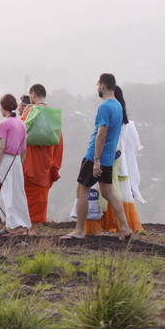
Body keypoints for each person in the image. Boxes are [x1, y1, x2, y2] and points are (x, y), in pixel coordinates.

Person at [62, 74, 133, 241]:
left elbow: (101, 134)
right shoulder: (118, 106)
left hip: (96, 155)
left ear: (102, 85)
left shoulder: (105, 107)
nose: (97, 88)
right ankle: (125, 227)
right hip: (108, 158)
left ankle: (79, 231)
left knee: (82, 190)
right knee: (108, 192)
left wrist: (96, 159)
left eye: (97, 84)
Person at [99, 85, 145, 233]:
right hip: (122, 165)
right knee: (114, 195)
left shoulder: (115, 121)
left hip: (109, 162)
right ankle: (123, 226)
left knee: (107, 194)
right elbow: (133, 149)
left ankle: (115, 225)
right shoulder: (128, 124)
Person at [0, 94, 30, 238]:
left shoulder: (4, 124)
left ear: (3, 108)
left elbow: (2, 147)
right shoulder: (21, 123)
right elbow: (25, 149)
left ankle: (14, 227)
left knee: (0, 195)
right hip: (16, 162)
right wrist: (19, 164)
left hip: (6, 161)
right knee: (12, 195)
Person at [21, 84, 63, 236]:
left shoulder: (31, 111)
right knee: (40, 195)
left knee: (26, 194)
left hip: (30, 161)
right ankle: (34, 228)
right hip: (46, 161)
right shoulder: (52, 115)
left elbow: (20, 131)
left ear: (32, 95)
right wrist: (55, 164)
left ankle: (25, 226)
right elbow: (59, 141)